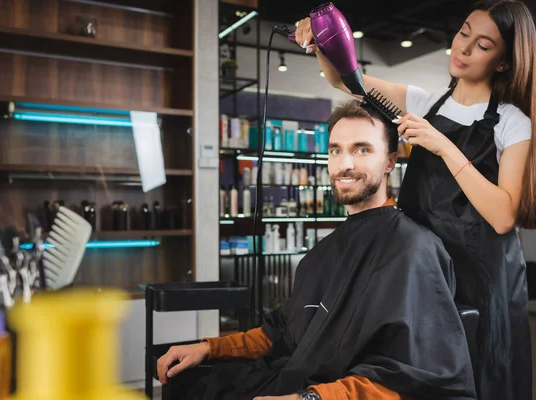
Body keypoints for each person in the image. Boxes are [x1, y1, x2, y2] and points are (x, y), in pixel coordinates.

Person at [295, 1, 536, 399]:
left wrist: (444, 146)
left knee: (482, 373)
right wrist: (320, 43)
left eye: (483, 45)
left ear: (504, 62)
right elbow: (347, 82)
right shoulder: (424, 103)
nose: (464, 47)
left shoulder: (512, 122)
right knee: (418, 373)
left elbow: (504, 216)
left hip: (485, 279)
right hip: (424, 268)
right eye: (464, 31)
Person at [156, 100, 477, 400]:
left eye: (361, 149)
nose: (345, 164)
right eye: (335, 151)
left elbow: (414, 375)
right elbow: (280, 330)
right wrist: (208, 349)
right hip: (295, 377)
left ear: (390, 161)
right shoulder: (324, 254)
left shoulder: (413, 249)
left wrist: (311, 398)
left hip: (328, 392)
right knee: (184, 381)